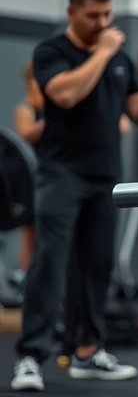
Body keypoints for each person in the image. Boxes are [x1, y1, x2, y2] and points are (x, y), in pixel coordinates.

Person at [11, 0, 138, 392]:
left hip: (104, 178)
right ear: (73, 12)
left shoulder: (120, 60)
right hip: (60, 174)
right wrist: (104, 52)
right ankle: (30, 357)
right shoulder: (52, 52)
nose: (103, 22)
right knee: (50, 262)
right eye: (94, 15)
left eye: (107, 14)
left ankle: (88, 352)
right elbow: (66, 95)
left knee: (97, 266)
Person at [11, 61, 44, 277]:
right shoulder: (25, 108)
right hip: (31, 178)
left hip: (56, 176)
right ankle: (27, 285)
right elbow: (26, 133)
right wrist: (61, 117)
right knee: (30, 233)